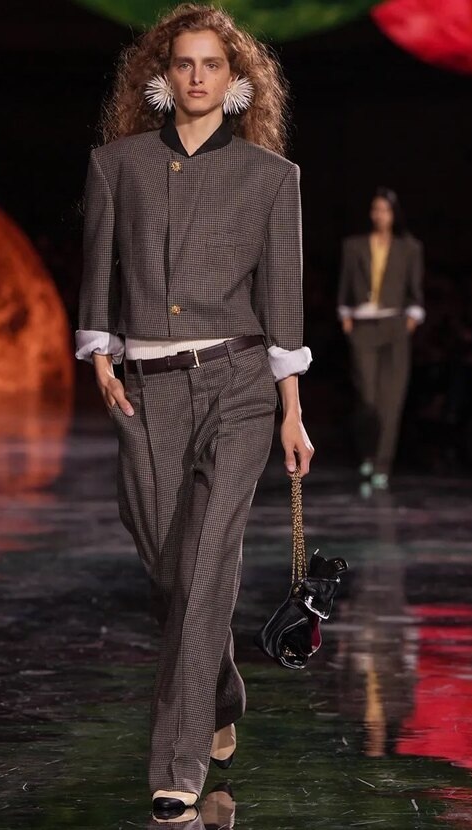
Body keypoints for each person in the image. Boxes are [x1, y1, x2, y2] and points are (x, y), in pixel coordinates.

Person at [75, 3, 314, 819]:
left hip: (239, 387)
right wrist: (99, 351)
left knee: (209, 563)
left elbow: (283, 300)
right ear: (162, 75)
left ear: (236, 78)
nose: (198, 76)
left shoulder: (269, 177)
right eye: (184, 63)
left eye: (213, 63)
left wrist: (291, 410)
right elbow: (99, 267)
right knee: (170, 567)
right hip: (145, 390)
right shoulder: (118, 164)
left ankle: (177, 767)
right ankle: (220, 693)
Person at [337, 187, 425, 488]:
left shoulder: (409, 248)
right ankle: (367, 454)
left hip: (395, 326)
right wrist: (346, 317)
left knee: (391, 400)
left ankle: (382, 464)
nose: (380, 215)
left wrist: (411, 320)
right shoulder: (354, 246)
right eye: (375, 209)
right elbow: (345, 285)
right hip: (363, 326)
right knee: (367, 397)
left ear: (394, 214)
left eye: (385, 210)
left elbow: (415, 291)